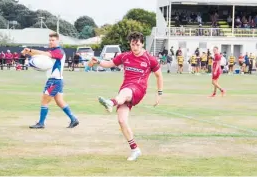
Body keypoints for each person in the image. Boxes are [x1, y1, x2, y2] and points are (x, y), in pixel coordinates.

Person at [88, 32, 163, 161]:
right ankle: (135, 149)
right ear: (130, 44)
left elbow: (159, 76)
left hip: (138, 90)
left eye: (137, 45)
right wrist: (98, 61)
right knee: (122, 121)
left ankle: (111, 102)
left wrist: (159, 93)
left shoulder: (150, 59)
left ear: (142, 44)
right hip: (124, 91)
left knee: (125, 92)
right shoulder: (125, 56)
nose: (135, 47)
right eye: (133, 44)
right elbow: (109, 64)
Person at [21, 32, 79, 129]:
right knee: (59, 101)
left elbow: (44, 54)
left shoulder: (58, 51)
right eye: (50, 40)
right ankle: (73, 119)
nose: (51, 42)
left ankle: (41, 123)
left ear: (58, 41)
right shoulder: (52, 51)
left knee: (44, 100)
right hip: (57, 80)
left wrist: (30, 50)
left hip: (54, 81)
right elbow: (42, 55)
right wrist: (29, 52)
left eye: (53, 40)